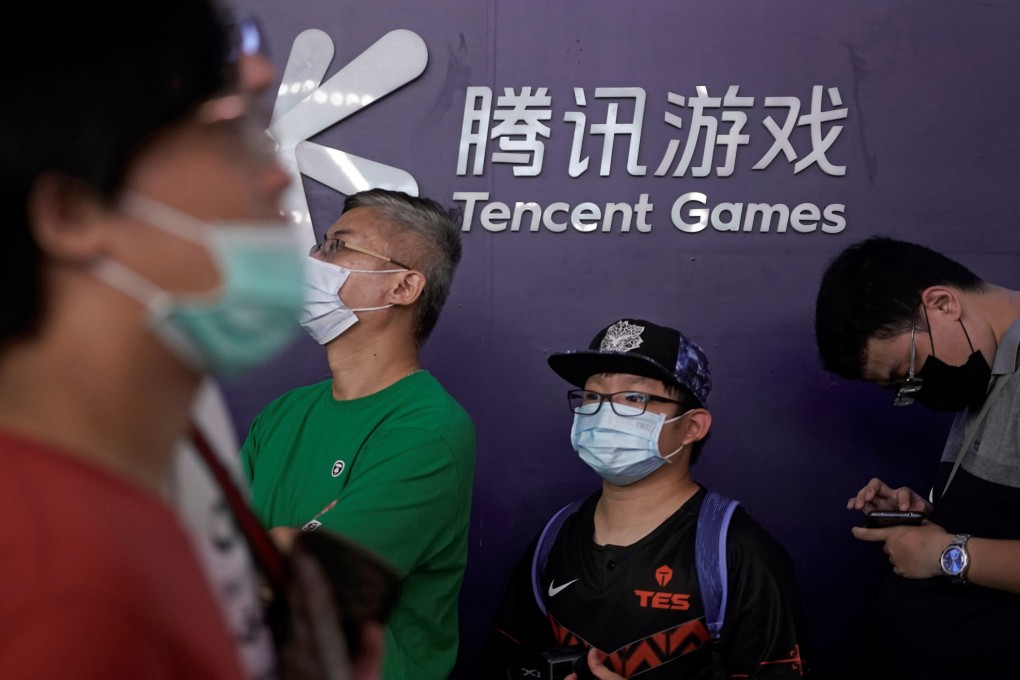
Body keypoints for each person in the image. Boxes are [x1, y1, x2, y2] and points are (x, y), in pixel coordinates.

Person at [0, 2, 304, 677]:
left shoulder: (118, 505)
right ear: (72, 212)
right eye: (233, 130)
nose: (278, 173)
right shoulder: (62, 593)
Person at [240, 188, 476, 680]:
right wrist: (288, 543)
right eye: (320, 245)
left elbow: (309, 584)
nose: (315, 259)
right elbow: (206, 561)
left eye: (338, 246)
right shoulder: (283, 413)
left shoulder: (429, 429)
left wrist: (278, 553)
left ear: (404, 287)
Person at [489, 318, 810, 679]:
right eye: (593, 396)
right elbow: (509, 664)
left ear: (692, 426)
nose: (605, 412)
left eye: (634, 398)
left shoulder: (735, 553)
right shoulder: (554, 539)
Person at [814, 236, 1020, 678]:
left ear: (943, 303)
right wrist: (934, 516)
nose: (917, 391)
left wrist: (947, 553)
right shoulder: (987, 366)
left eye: (905, 374)